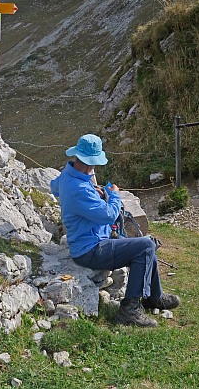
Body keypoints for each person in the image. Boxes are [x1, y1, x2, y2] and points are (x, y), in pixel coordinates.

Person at [49, 135, 177, 328]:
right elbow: (109, 215)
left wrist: (95, 190)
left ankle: (153, 296)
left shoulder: (69, 176)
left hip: (91, 242)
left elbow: (54, 188)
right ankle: (130, 309)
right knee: (145, 246)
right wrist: (114, 196)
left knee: (146, 244)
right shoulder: (78, 188)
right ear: (92, 162)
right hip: (90, 250)